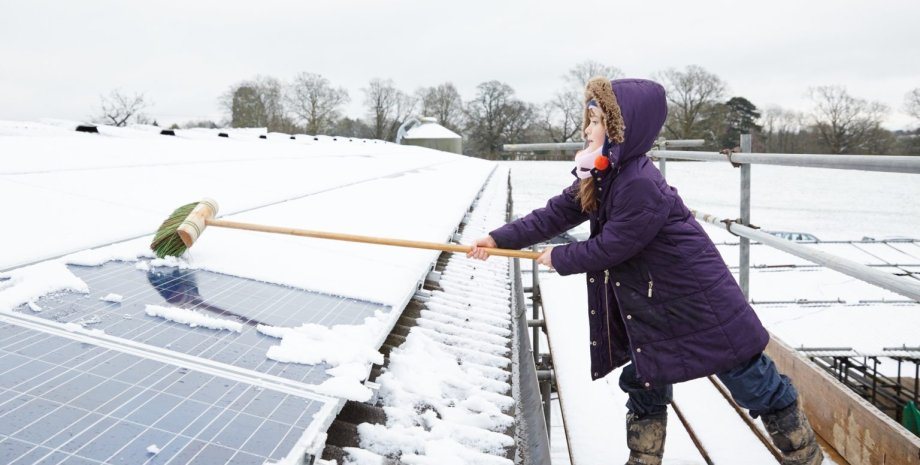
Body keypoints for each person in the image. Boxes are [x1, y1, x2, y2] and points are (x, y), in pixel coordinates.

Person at [468, 77, 823, 465]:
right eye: (587, 120)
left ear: (622, 129)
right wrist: (498, 239)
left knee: (748, 378)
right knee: (644, 376)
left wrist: (562, 258)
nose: (587, 130)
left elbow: (616, 245)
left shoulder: (639, 183)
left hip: (697, 299)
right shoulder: (602, 174)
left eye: (597, 121)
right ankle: (644, 458)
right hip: (654, 300)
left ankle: (803, 455)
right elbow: (555, 213)